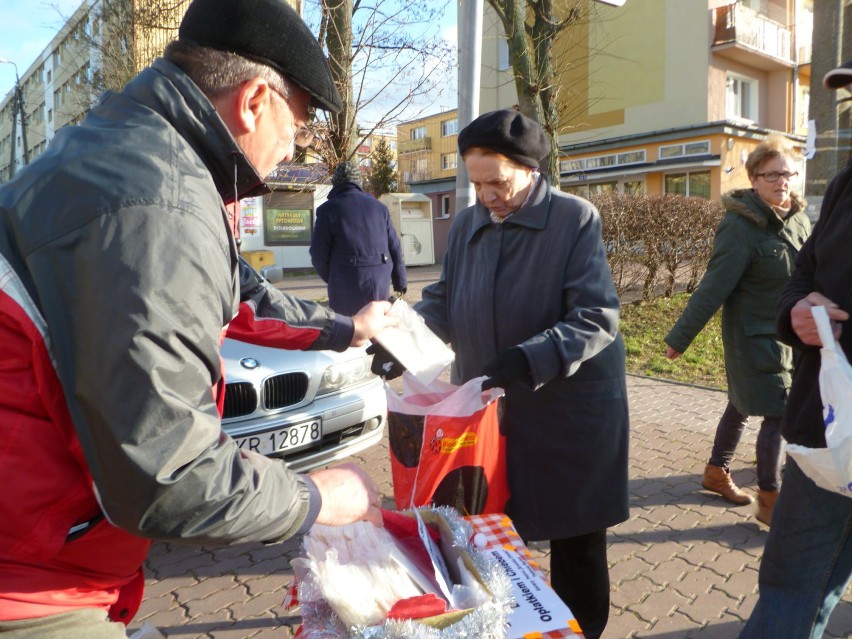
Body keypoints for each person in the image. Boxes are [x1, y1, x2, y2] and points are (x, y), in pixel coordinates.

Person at [0, 0, 396, 635]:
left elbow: (239, 295)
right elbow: (170, 477)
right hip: (28, 578)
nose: (295, 144)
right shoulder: (158, 206)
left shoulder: (132, 149)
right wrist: (324, 497)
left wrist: (347, 329)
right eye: (298, 123)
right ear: (255, 102)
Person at [372, 109, 629, 639]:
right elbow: (446, 296)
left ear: (530, 170)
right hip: (488, 416)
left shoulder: (573, 219)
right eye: (477, 183)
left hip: (566, 413)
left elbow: (595, 317)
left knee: (575, 539)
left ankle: (583, 631)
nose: (488, 195)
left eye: (499, 182)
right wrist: (401, 338)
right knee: (490, 533)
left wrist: (530, 356)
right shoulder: (468, 223)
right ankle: (511, 625)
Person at [738, 61, 852, 639]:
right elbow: (799, 278)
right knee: (791, 581)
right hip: (822, 426)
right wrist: (797, 313)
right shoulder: (844, 184)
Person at [664, 135, 811, 525]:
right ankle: (771, 500)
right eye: (772, 175)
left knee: (741, 403)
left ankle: (716, 472)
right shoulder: (740, 228)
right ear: (754, 178)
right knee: (777, 413)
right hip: (753, 339)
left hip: (793, 337)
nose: (782, 182)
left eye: (788, 174)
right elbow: (713, 287)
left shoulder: (799, 219)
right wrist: (680, 338)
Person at [310, 161, 407, 315]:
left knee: (350, 332)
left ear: (336, 183)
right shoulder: (380, 208)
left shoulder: (328, 210)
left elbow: (317, 255)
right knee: (377, 328)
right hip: (380, 280)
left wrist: (334, 277)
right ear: (359, 182)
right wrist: (400, 282)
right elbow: (394, 247)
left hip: (345, 284)